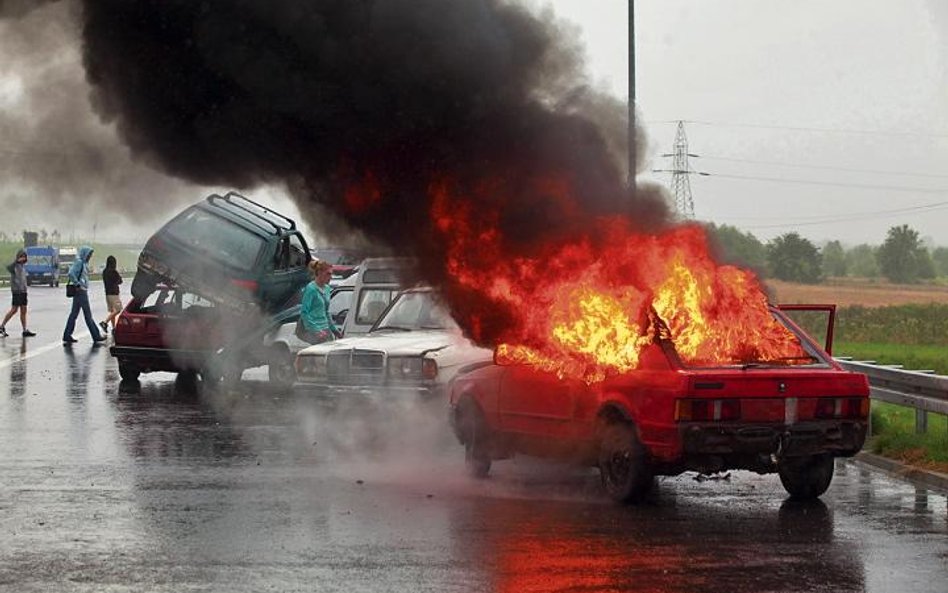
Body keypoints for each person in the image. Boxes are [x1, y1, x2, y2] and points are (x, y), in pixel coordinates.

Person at [62, 245, 106, 345]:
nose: (90, 256)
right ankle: (96, 335)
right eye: (89, 254)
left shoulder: (83, 263)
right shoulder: (79, 262)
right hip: (81, 291)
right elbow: (71, 273)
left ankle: (67, 335)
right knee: (88, 315)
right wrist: (77, 283)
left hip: (80, 291)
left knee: (74, 314)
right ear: (85, 254)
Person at [298, 259, 341, 344]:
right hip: (314, 330)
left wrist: (334, 329)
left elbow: (326, 311)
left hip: (325, 328)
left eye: (331, 274)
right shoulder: (311, 289)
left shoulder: (327, 288)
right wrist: (317, 331)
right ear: (320, 273)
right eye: (328, 274)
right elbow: (304, 312)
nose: (330, 277)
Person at [0, 249, 36, 338]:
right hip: (17, 291)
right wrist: (16, 261)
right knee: (14, 309)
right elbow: (8, 267)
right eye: (21, 257)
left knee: (24, 310)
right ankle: (2, 326)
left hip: (23, 291)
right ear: (18, 257)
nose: (23, 259)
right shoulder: (14, 266)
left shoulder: (23, 267)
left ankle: (24, 330)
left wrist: (25, 289)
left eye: (24, 257)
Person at [98, 255, 123, 334]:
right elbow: (120, 281)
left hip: (107, 294)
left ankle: (114, 328)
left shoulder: (104, 271)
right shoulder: (114, 272)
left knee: (112, 311)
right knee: (118, 310)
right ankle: (105, 322)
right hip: (114, 294)